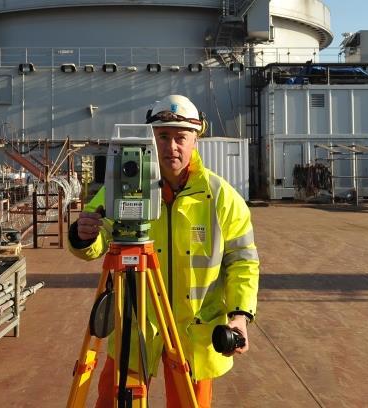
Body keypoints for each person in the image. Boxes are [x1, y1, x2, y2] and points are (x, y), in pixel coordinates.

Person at [68, 95, 259, 407]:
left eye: (181, 137)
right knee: (114, 401)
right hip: (135, 323)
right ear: (151, 140)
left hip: (194, 331)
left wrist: (240, 315)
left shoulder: (221, 196)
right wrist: (83, 235)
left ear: (195, 140)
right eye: (163, 137)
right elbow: (97, 233)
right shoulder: (123, 186)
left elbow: (243, 261)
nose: (172, 146)